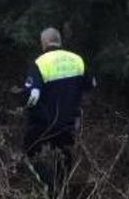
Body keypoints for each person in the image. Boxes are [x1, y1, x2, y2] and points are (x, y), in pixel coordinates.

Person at [22, 27, 96, 195]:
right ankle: (62, 189)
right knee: (64, 157)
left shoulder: (40, 63)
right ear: (59, 41)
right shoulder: (78, 60)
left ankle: (50, 186)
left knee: (29, 151)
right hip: (69, 122)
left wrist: (31, 112)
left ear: (44, 42)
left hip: (45, 122)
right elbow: (92, 84)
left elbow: (32, 96)